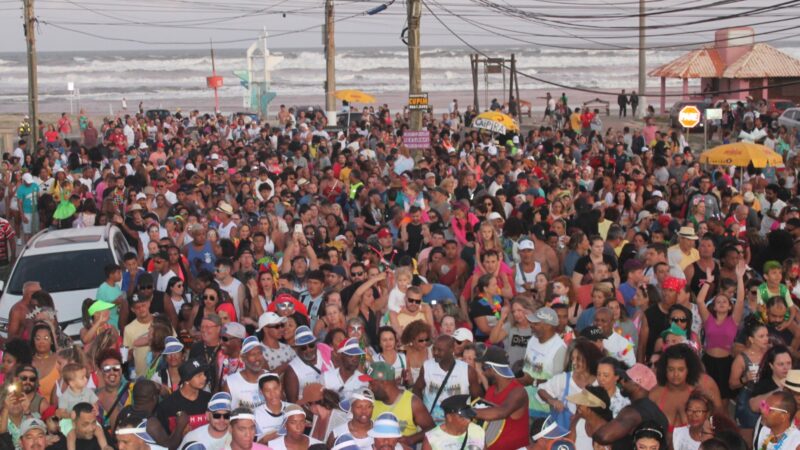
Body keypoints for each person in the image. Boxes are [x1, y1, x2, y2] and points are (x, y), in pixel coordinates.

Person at [593, 363, 668, 450]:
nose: (621, 382)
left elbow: (603, 436)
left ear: (637, 385)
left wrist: (591, 419)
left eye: (626, 379)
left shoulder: (632, 413)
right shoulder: (658, 413)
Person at [362, 361, 434, 447]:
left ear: (384, 383)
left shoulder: (413, 403)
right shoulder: (370, 400)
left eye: (371, 383)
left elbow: (432, 429)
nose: (369, 387)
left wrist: (411, 439)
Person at [413, 335, 481, 424]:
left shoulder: (467, 371)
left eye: (440, 350)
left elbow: (477, 398)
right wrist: (421, 410)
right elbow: (417, 388)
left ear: (451, 350)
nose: (435, 353)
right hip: (430, 423)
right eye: (434, 349)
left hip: (457, 425)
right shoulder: (427, 367)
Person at [472, 346, 529, 449]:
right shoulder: (491, 389)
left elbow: (502, 412)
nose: (483, 373)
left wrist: (468, 412)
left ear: (492, 369)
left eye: (484, 368)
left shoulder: (518, 391)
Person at [519, 307, 567, 418]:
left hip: (542, 410)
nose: (531, 325)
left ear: (548, 326)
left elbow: (557, 384)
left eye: (536, 323)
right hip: (522, 402)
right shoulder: (533, 340)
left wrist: (533, 381)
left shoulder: (559, 349)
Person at [155, 358, 212, 434]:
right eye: (199, 375)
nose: (204, 378)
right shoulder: (167, 405)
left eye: (204, 374)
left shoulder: (210, 400)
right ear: (187, 380)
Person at [284, 325, 333, 403]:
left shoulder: (326, 354)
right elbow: (293, 403)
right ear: (297, 349)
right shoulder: (292, 371)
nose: (308, 350)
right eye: (303, 348)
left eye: (311, 345)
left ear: (315, 344)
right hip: (308, 409)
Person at [223, 336, 266, 410]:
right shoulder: (231, 382)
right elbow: (224, 412)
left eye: (260, 353)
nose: (257, 358)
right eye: (253, 354)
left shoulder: (271, 378)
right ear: (243, 358)